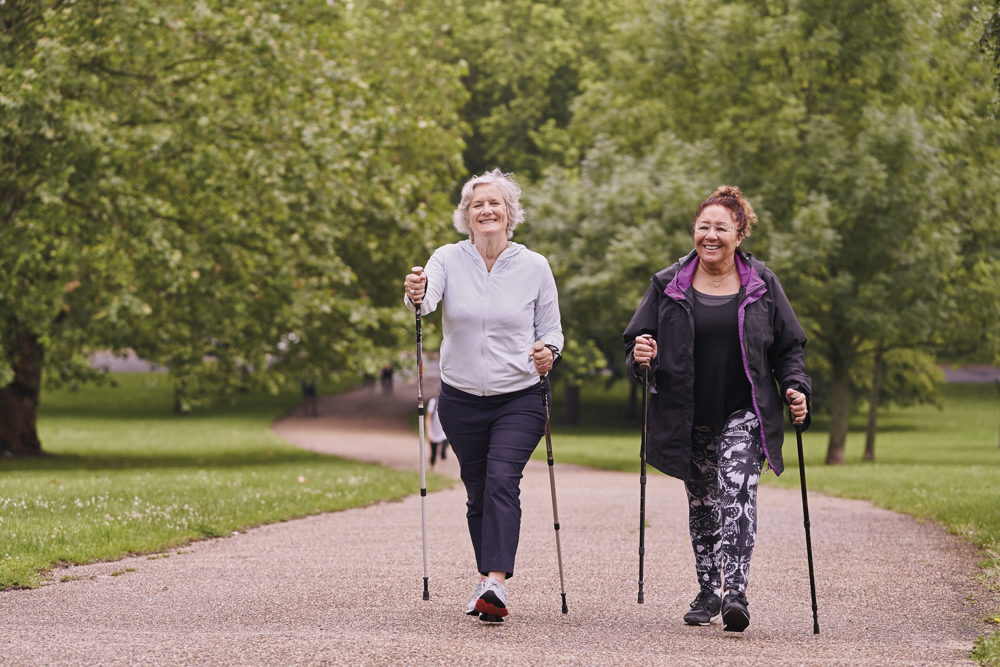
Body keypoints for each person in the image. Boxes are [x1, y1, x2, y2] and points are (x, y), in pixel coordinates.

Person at [623, 185, 810, 633]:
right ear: (694, 231)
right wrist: (641, 356)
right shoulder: (667, 283)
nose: (711, 235)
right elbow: (637, 343)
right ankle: (708, 588)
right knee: (703, 502)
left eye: (721, 228)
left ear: (739, 234)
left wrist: (796, 387)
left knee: (737, 492)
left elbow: (789, 348)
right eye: (703, 227)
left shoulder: (762, 283)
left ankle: (735, 591)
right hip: (688, 414)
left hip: (744, 410)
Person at [403, 168, 563, 623]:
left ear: (509, 214)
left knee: (500, 480)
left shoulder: (535, 266)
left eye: (495, 203)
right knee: (477, 491)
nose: (487, 210)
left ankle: (496, 582)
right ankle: (485, 582)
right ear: (466, 216)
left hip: (520, 397)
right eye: (477, 204)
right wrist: (416, 291)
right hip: (461, 398)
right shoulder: (448, 259)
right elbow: (426, 298)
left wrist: (548, 351)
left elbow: (552, 329)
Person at [425, 392, 449, 467]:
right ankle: (432, 469)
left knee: (443, 452)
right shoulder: (433, 403)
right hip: (434, 432)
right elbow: (428, 419)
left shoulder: (448, 403)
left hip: (445, 433)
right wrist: (429, 432)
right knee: (433, 453)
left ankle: (443, 471)